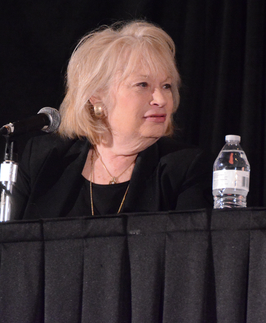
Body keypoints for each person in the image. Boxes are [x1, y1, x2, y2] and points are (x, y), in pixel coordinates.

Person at [12, 20, 213, 219]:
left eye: (167, 86)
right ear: (97, 95)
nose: (161, 99)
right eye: (142, 85)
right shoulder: (43, 159)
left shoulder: (185, 168)